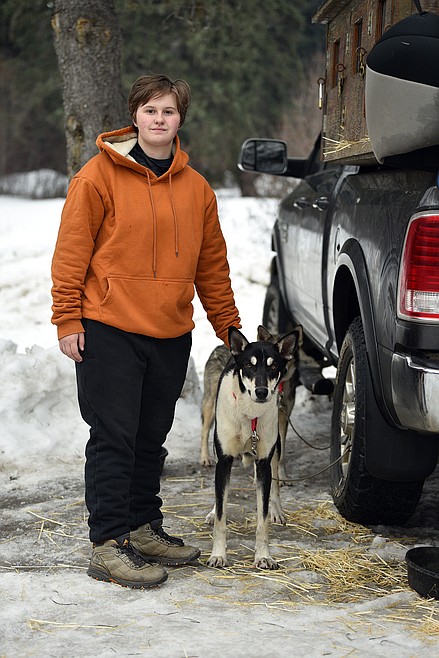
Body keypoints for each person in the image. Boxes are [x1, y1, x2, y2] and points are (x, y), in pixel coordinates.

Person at [51, 74, 241, 589]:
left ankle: (141, 527)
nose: (159, 119)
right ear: (134, 116)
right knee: (114, 437)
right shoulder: (97, 177)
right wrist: (67, 318)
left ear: (181, 119)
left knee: (150, 439)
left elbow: (212, 265)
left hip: (169, 332)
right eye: (150, 110)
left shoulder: (197, 188)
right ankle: (109, 543)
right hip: (108, 327)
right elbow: (71, 254)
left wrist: (228, 325)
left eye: (169, 111)